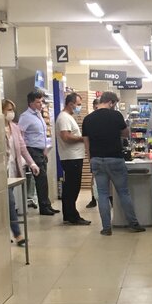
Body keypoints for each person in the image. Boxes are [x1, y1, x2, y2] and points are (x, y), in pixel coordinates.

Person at [81, 91, 146, 236]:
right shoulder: (116, 115)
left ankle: (106, 228)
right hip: (115, 159)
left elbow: (86, 142)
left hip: (96, 159)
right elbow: (126, 133)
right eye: (114, 104)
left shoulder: (88, 119)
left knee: (102, 194)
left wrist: (91, 159)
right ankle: (133, 224)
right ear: (110, 102)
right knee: (123, 192)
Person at [3, 98, 39, 247]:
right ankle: (17, 234)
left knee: (7, 203)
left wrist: (32, 163)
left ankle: (6, 233)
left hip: (13, 170)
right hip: (0, 172)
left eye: (12, 110)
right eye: (8, 110)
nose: (11, 113)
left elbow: (23, 148)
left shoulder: (15, 127)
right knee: (10, 202)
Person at [18, 89, 57, 215]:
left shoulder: (39, 115)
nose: (41, 104)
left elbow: (42, 134)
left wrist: (45, 150)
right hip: (33, 150)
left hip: (41, 151)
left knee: (44, 180)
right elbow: (20, 136)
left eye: (41, 102)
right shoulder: (25, 117)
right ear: (31, 103)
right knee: (41, 179)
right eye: (38, 102)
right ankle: (44, 207)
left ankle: (47, 204)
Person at [56, 91, 90, 226]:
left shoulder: (68, 117)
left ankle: (68, 214)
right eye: (78, 104)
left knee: (70, 187)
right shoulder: (64, 118)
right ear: (70, 104)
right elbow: (66, 137)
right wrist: (83, 138)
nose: (79, 107)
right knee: (73, 187)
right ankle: (73, 216)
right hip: (71, 158)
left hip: (73, 157)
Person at [85, 98, 100, 209]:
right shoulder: (89, 119)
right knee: (94, 176)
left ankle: (110, 198)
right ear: (94, 106)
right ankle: (93, 198)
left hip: (102, 152)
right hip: (94, 152)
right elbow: (86, 139)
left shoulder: (104, 118)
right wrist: (89, 155)